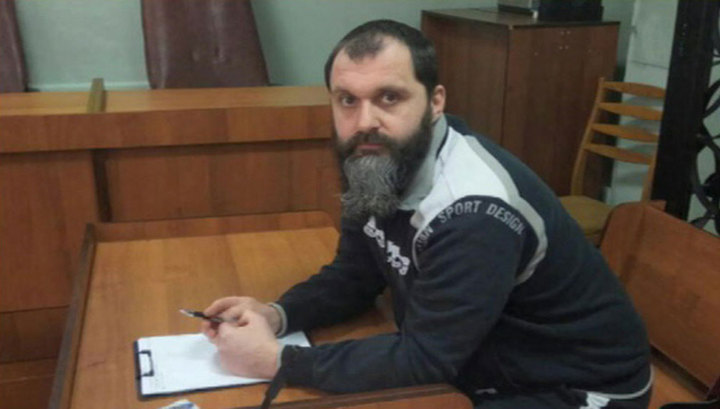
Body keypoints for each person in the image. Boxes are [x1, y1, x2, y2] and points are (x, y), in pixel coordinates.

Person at [202, 20, 652, 409]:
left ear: (435, 102)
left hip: (576, 388)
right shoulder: (376, 160)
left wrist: (279, 361)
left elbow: (426, 358)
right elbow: (355, 275)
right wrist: (277, 315)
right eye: (347, 100)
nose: (364, 122)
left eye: (389, 97)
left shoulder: (476, 212)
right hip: (483, 362)